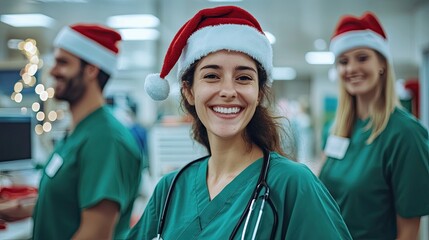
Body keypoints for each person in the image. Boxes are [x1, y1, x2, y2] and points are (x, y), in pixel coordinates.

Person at [128, 6, 352, 239]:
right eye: (211, 76)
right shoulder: (170, 190)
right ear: (189, 91)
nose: (228, 91)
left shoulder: (292, 184)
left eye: (243, 78)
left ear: (259, 94)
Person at [0, 24, 143, 239]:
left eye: (63, 62)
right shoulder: (77, 132)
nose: (52, 71)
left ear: (91, 70)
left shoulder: (105, 140)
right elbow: (69, 200)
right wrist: (20, 208)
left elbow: (94, 235)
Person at [319, 11, 429, 240]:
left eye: (362, 58)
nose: (351, 69)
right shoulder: (333, 129)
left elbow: (409, 232)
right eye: (343, 61)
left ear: (382, 64)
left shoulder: (406, 134)